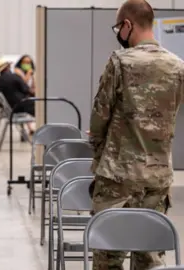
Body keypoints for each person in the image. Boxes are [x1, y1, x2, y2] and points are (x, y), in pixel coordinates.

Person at [89, 1, 184, 269]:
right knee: (150, 258)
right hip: (158, 177)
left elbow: (99, 117)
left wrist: (97, 149)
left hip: (117, 177)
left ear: (128, 25)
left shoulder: (119, 62)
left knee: (108, 257)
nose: (119, 34)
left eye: (119, 27)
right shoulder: (178, 66)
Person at [0, 58, 35, 133]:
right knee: (41, 106)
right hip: (21, 107)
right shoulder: (14, 77)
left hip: (9, 110)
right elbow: (27, 90)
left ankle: (30, 129)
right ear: (7, 67)